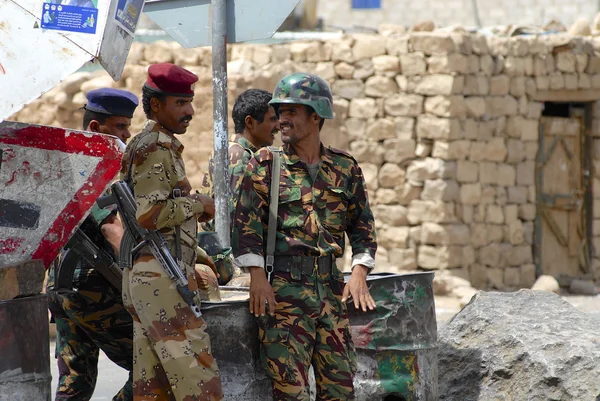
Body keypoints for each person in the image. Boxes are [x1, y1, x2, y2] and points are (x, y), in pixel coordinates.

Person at [233, 73, 378, 400]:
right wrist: (256, 275)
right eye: (279, 111)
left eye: (292, 111)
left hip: (331, 291)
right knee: (291, 393)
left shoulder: (345, 167)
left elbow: (363, 227)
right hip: (283, 292)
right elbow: (245, 224)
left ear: (316, 116)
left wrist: (359, 273)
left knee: (340, 391)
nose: (282, 119)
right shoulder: (266, 163)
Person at [119, 63, 223, 401]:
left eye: (189, 102)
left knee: (154, 388)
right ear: (155, 105)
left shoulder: (151, 144)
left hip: (150, 274)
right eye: (180, 103)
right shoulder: (156, 148)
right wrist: (199, 204)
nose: (190, 111)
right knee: (199, 381)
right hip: (162, 275)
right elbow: (150, 214)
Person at [46, 87, 138, 401]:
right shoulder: (96, 167)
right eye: (120, 126)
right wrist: (144, 276)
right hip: (92, 287)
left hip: (62, 288)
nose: (128, 133)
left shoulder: (67, 162)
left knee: (75, 385)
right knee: (155, 365)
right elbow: (113, 228)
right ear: (96, 129)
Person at [199, 89, 279, 285]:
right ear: (250, 122)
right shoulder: (239, 156)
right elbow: (235, 218)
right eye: (272, 120)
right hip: (238, 263)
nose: (277, 127)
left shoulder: (232, 151)